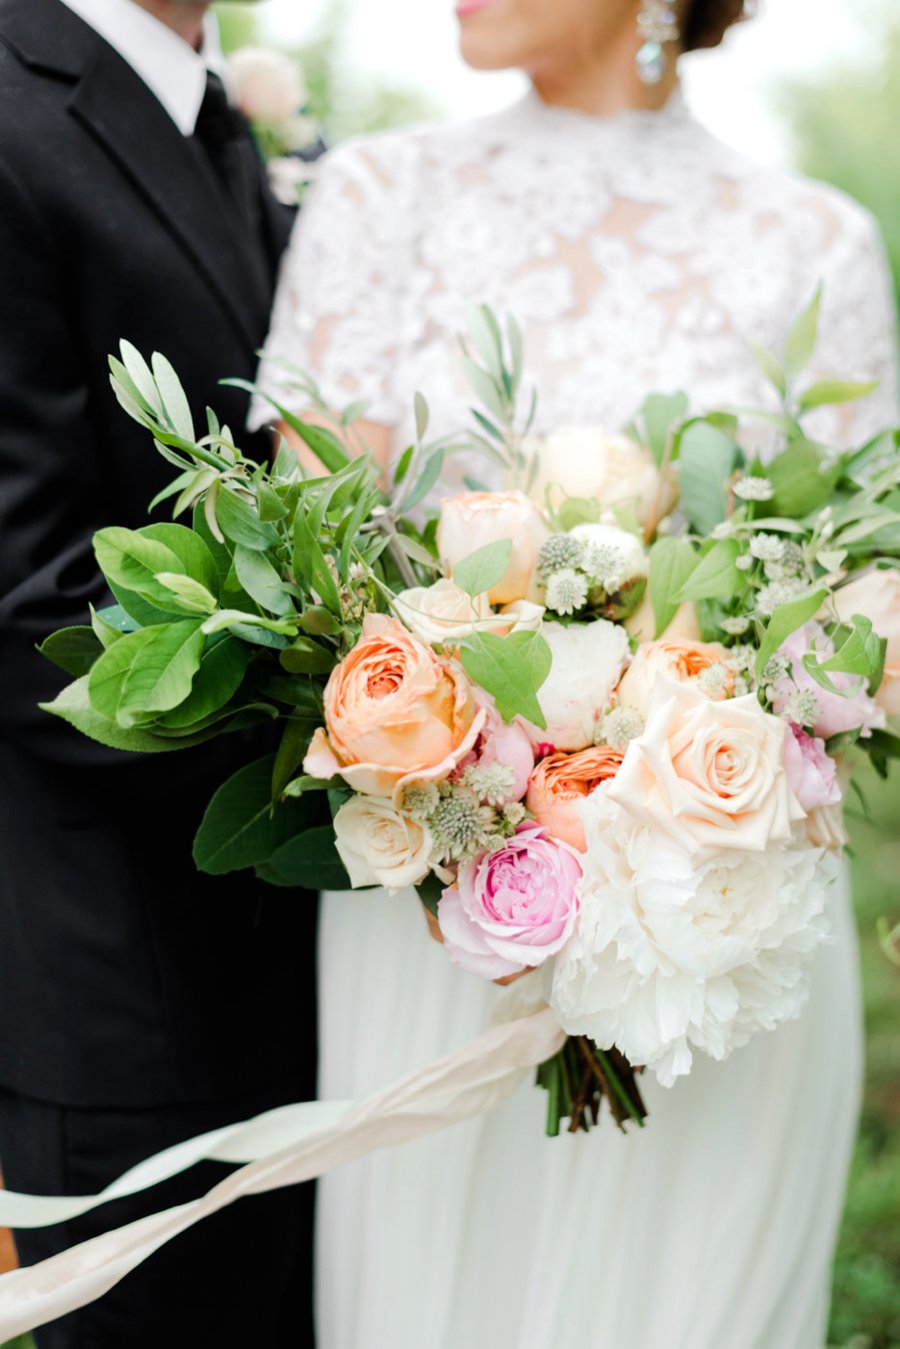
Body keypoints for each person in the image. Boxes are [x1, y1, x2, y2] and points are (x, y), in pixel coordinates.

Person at [252, 0, 899, 1346]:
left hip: (727, 914)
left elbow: (854, 603)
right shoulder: (379, 198)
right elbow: (309, 579)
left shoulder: (816, 241)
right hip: (448, 918)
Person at [0, 1, 319, 1344]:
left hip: (302, 981)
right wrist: (373, 751)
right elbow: (29, 609)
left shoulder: (217, 118)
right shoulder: (15, 108)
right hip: (123, 991)